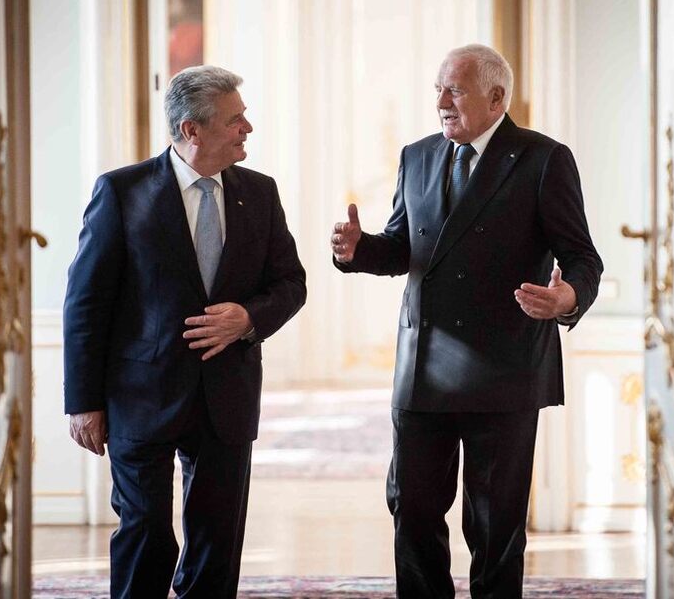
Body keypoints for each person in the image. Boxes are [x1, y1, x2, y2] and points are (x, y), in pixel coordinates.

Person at [331, 44, 603, 598]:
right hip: (423, 366)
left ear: (497, 97)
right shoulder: (419, 155)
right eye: (437, 88)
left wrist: (567, 297)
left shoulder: (543, 159)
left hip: (503, 370)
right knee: (412, 510)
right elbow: (405, 249)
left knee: (494, 524)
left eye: (454, 89)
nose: (441, 101)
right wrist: (358, 251)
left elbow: (582, 257)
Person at [63, 65, 306, 598]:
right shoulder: (122, 192)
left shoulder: (260, 193)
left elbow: (291, 283)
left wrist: (249, 317)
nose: (248, 128)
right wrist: (83, 402)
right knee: (145, 528)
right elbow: (85, 303)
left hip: (227, 395)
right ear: (191, 129)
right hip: (139, 396)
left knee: (217, 538)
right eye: (235, 120)